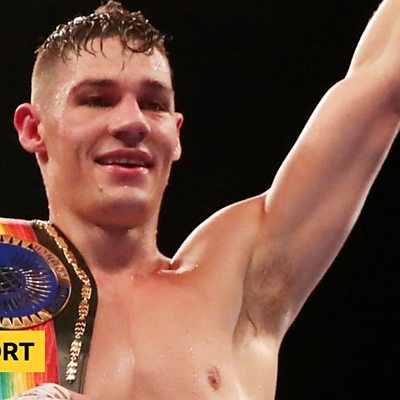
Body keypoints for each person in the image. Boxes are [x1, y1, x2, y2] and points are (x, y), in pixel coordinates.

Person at [0, 0, 398, 399]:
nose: (132, 122)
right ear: (33, 129)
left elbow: (383, 80)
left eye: (153, 104)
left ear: (175, 133)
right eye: (98, 100)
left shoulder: (236, 283)